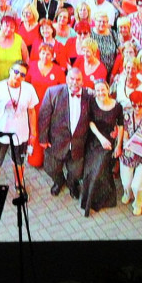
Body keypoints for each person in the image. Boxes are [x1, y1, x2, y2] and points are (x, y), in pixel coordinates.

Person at [37, 67, 93, 198]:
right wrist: (43, 139)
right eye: (72, 79)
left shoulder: (89, 96)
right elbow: (44, 116)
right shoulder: (53, 92)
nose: (74, 82)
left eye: (78, 80)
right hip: (56, 141)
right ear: (67, 79)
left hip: (78, 143)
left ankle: (72, 184)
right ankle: (59, 181)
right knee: (51, 168)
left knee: (76, 171)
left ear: (82, 82)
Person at [0, 59, 39, 186]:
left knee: (19, 163)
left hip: (21, 136)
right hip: (0, 135)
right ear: (10, 71)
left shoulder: (29, 89)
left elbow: (32, 112)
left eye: (22, 75)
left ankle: (19, 186)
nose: (18, 76)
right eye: (16, 72)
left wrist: (33, 134)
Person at [78, 79, 123, 217]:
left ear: (108, 90)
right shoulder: (92, 102)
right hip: (94, 139)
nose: (100, 93)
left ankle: (100, 200)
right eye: (97, 90)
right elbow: (90, 122)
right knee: (90, 170)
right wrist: (100, 138)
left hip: (108, 142)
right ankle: (87, 201)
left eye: (102, 89)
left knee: (98, 171)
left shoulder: (117, 106)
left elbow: (121, 126)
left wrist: (118, 145)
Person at [24, 42, 66, 168]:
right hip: (33, 106)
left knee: (46, 132)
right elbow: (25, 85)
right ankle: (33, 157)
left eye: (48, 53)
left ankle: (47, 160)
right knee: (33, 130)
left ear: (52, 56)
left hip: (50, 109)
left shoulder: (58, 71)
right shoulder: (31, 66)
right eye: (43, 53)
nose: (45, 56)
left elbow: (63, 91)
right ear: (39, 53)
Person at [119, 90, 142, 215]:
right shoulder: (126, 116)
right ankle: (127, 194)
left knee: (136, 185)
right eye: (134, 105)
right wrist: (127, 143)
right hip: (129, 154)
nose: (137, 108)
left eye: (139, 105)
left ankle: (138, 203)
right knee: (126, 183)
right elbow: (124, 135)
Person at [0, 12, 29, 83]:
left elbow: (26, 59)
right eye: (6, 26)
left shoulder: (19, 40)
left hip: (14, 81)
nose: (9, 29)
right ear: (1, 25)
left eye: (12, 27)